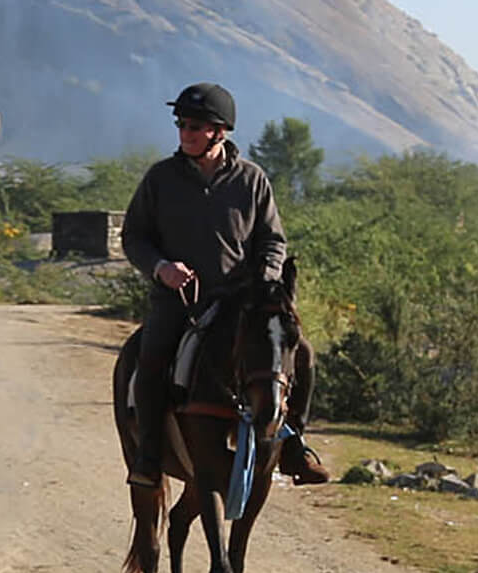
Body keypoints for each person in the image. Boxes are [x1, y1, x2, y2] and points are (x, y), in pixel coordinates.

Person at [119, 82, 328, 488]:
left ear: (219, 131)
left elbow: (273, 241)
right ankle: (147, 457)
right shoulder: (160, 178)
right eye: (181, 124)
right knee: (150, 357)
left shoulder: (251, 180)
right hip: (178, 300)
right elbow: (134, 237)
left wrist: (266, 280)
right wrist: (161, 267)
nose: (185, 132)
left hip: (240, 302)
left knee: (301, 352)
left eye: (194, 125)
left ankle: (294, 447)